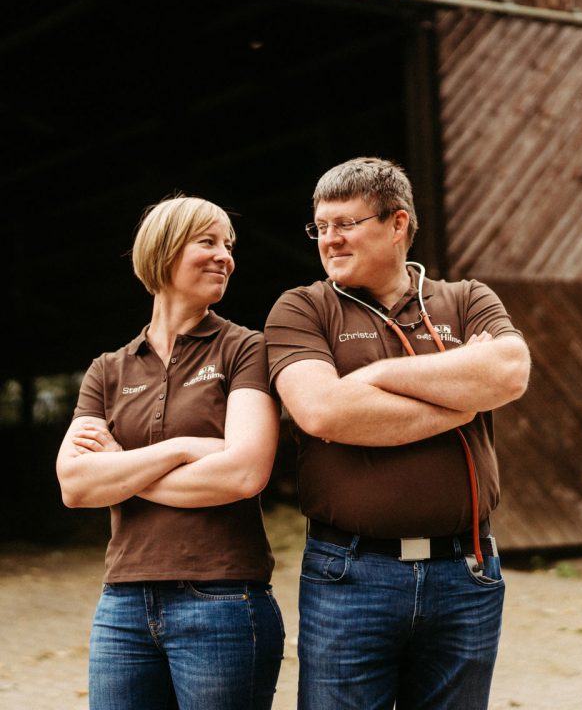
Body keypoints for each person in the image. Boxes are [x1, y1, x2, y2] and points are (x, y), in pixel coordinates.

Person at [264, 157, 531, 710]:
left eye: (346, 223)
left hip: (467, 573)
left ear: (398, 223)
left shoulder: (466, 298)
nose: (329, 240)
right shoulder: (303, 308)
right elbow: (323, 413)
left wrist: (373, 381)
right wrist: (461, 397)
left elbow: (508, 373)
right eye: (321, 227)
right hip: (349, 575)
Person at [56, 195, 284, 710]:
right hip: (122, 603)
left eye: (229, 245)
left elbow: (244, 473)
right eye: (208, 242)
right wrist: (184, 449)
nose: (225, 256)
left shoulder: (245, 348)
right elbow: (75, 486)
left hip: (224, 600)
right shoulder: (108, 370)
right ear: (162, 251)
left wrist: (119, 464)